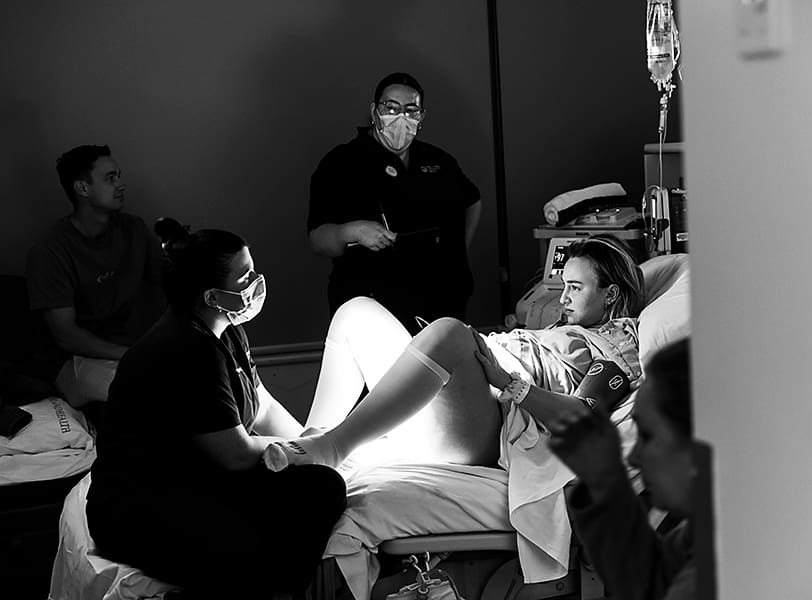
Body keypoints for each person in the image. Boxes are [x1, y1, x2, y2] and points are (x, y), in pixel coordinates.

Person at [86, 219, 347, 600]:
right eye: (245, 278)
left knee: (320, 482)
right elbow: (237, 453)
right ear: (211, 296)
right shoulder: (186, 348)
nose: (256, 283)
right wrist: (311, 450)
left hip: (195, 478)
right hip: (140, 508)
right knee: (319, 493)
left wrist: (309, 440)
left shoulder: (227, 329)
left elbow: (261, 405)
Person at [263, 235, 644, 472]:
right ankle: (312, 440)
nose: (562, 299)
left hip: (487, 431)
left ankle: (333, 447)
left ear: (611, 294)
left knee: (450, 331)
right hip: (458, 403)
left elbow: (584, 418)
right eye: (564, 287)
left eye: (576, 288)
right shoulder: (565, 329)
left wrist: (507, 381)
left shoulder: (618, 341)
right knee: (356, 311)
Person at [308, 72, 482, 334]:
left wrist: (457, 252)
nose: (401, 117)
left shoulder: (437, 160)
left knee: (445, 360)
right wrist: (352, 231)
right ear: (374, 111)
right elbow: (317, 239)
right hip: (373, 304)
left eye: (411, 110)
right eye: (391, 108)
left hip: (441, 301)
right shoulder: (343, 162)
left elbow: (472, 200)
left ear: (421, 117)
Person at [548, 337, 695, 600]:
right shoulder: (703, 533)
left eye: (647, 436)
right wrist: (604, 479)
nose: (634, 458)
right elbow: (651, 581)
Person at [26, 144, 165, 408]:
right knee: (147, 391)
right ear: (83, 188)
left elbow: (168, 281)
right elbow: (65, 334)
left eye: (119, 176)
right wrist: (131, 354)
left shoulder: (133, 229)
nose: (121, 185)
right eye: (110, 178)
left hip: (126, 345)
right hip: (77, 358)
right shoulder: (51, 250)